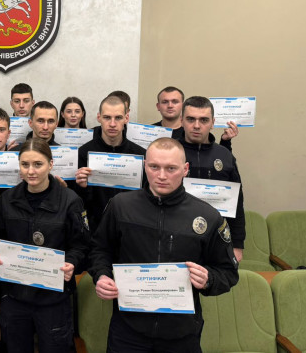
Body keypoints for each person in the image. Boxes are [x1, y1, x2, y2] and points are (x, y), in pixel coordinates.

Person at [89, 138, 239, 352]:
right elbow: (100, 250)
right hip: (128, 331)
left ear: (185, 169)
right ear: (144, 166)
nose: (161, 175)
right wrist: (101, 275)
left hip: (181, 333)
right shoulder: (120, 206)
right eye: (154, 167)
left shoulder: (207, 216)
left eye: (171, 168)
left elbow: (228, 272)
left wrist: (209, 279)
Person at [0, 138, 90, 353]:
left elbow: (81, 245)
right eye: (25, 165)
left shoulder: (70, 200)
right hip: (15, 296)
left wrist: (72, 262)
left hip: (53, 298)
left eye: (38, 164)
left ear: (50, 165)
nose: (31, 171)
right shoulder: (8, 199)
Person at [178, 96, 246, 262]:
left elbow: (237, 202)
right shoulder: (171, 151)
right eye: (190, 119)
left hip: (216, 238)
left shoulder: (224, 155)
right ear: (181, 121)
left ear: (213, 122)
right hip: (177, 234)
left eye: (204, 120)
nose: (196, 125)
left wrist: (237, 244)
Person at [75, 95, 146, 232]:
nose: (112, 124)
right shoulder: (83, 152)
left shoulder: (141, 155)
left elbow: (145, 198)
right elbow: (80, 203)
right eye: (107, 117)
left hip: (130, 227)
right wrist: (82, 187)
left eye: (118, 118)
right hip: (95, 228)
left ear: (126, 118)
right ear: (99, 118)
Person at [152, 86, 237, 150]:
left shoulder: (194, 132)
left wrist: (225, 141)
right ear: (158, 106)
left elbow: (216, 158)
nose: (170, 106)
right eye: (165, 102)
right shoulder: (149, 131)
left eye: (175, 101)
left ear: (182, 105)